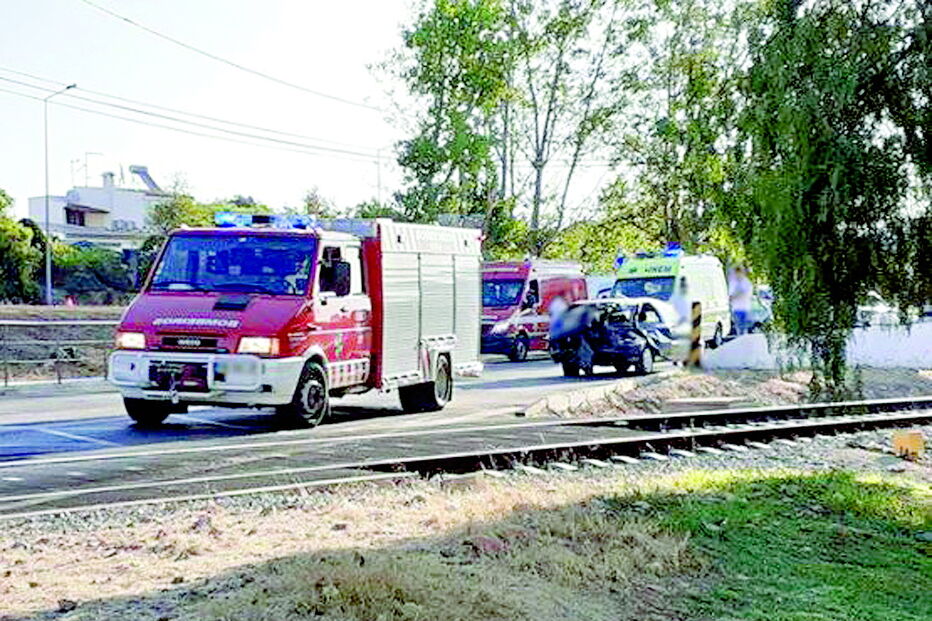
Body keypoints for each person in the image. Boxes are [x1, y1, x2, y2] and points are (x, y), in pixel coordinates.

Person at [729, 265, 753, 335]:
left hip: (744, 308)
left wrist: (735, 296)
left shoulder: (746, 282)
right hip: (736, 308)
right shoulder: (733, 282)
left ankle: (744, 338)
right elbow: (731, 294)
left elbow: (744, 294)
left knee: (743, 327)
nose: (737, 274)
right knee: (738, 328)